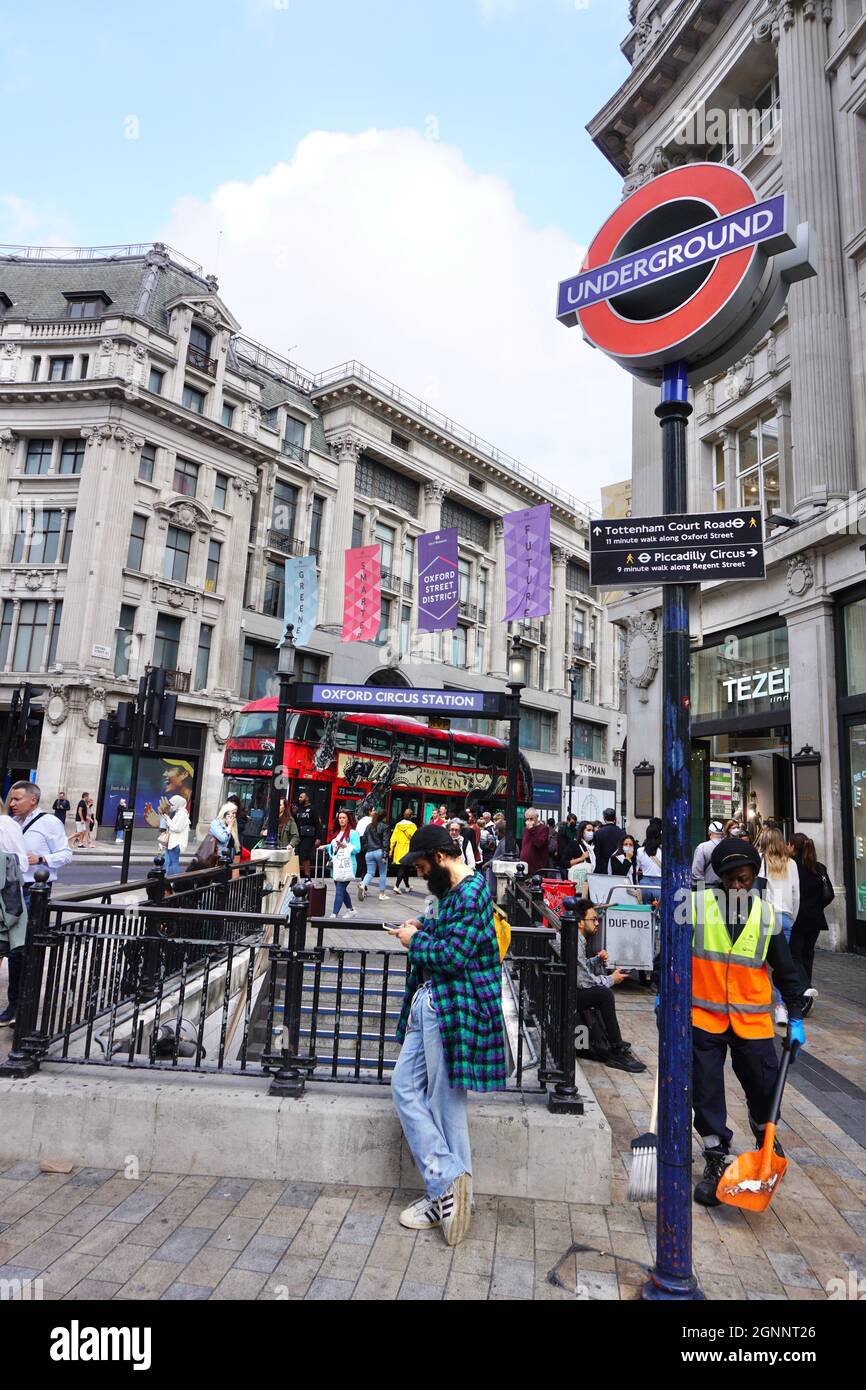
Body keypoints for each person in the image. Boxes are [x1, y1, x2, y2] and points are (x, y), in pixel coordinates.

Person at [387, 822, 506, 1245]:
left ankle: (448, 1192)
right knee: (405, 1088)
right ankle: (449, 1184)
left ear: (439, 857)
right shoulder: (454, 894)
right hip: (434, 1002)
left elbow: (454, 956)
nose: (420, 875)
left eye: (421, 867)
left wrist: (411, 942)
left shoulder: (473, 893)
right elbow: (447, 933)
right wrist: (419, 927)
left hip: (451, 1007)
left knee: (445, 1103)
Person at [691, 836, 806, 1207]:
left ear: (754, 876)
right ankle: (714, 1158)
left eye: (744, 879)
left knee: (763, 1087)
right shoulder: (697, 906)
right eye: (731, 879)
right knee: (706, 1090)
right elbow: (672, 958)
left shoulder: (766, 915)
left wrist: (797, 1015)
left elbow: (786, 970)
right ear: (720, 877)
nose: (738, 886)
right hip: (705, 1017)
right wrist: (667, 996)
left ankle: (766, 1141)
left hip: (752, 1021)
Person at [573, 898, 646, 1073]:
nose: (597, 923)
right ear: (581, 922)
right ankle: (616, 1049)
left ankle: (612, 1042)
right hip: (569, 994)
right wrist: (612, 979)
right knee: (604, 994)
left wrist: (596, 960)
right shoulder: (576, 941)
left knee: (602, 992)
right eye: (593, 919)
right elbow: (584, 981)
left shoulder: (578, 938)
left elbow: (580, 968)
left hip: (569, 989)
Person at [756, 825, 801, 1026]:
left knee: (760, 961)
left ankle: (760, 999)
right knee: (783, 964)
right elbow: (796, 894)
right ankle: (781, 1007)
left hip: (765, 915)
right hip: (785, 916)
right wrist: (792, 917)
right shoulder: (791, 864)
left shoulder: (759, 861)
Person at [0, 801, 33, 1029]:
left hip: (5, 900)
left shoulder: (5, 824)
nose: (13, 803)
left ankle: (17, 1008)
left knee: (12, 951)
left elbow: (19, 863)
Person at [788, 832, 828, 1014]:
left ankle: (806, 992)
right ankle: (806, 998)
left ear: (793, 847)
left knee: (795, 957)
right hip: (815, 918)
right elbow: (828, 894)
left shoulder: (792, 866)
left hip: (798, 918)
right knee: (807, 956)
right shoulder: (819, 867)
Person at [327, 810, 360, 919]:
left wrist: (345, 846)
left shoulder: (353, 833)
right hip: (337, 865)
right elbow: (333, 847)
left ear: (348, 819)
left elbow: (357, 849)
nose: (341, 820)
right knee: (341, 889)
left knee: (340, 889)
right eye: (340, 818)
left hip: (348, 865)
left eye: (344, 818)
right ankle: (351, 910)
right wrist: (325, 847)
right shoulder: (337, 833)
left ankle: (334, 914)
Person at [359, 810, 390, 902]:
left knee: (370, 872)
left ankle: (363, 885)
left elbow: (364, 839)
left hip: (369, 853)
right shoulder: (385, 826)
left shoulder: (369, 826)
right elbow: (385, 841)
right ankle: (382, 894)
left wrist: (365, 850)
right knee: (383, 873)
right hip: (379, 852)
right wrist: (384, 855)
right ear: (384, 817)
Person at [160, 794, 190, 876]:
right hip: (172, 842)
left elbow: (177, 828)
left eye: (173, 804)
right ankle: (165, 880)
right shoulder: (178, 813)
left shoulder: (182, 814)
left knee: (174, 863)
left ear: (178, 804)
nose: (171, 806)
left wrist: (168, 819)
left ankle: (175, 881)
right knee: (167, 862)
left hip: (176, 843)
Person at [691, 820, 726, 889]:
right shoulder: (728, 847)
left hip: (707, 888)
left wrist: (701, 891)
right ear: (722, 833)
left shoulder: (702, 847)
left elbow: (696, 873)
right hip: (725, 889)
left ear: (709, 833)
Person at [295, 793, 322, 878]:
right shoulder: (299, 809)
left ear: (306, 798)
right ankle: (296, 875)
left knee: (305, 855)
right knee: (297, 854)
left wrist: (318, 838)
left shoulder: (313, 809)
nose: (299, 799)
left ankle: (307, 877)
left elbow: (318, 824)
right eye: (299, 797)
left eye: (301, 797)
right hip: (299, 835)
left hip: (309, 836)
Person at [390, 810, 417, 894]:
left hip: (399, 849)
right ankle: (397, 886)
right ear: (411, 816)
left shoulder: (398, 825)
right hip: (408, 849)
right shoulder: (413, 826)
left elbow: (393, 839)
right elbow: (416, 839)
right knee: (403, 868)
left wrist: (391, 851)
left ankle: (407, 886)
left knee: (405, 868)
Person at [592, 808, 625, 877]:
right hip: (618, 868)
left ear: (604, 818)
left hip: (603, 869)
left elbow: (597, 853)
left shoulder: (598, 833)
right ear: (615, 818)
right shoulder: (622, 832)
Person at [520, 809, 550, 876]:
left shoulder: (543, 829)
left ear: (537, 817)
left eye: (531, 819)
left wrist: (531, 829)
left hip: (537, 868)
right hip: (524, 866)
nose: (529, 821)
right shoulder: (525, 829)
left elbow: (539, 843)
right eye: (527, 819)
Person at [637, 824, 662, 890]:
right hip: (659, 884)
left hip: (644, 883)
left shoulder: (640, 850)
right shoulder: (663, 851)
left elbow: (636, 870)